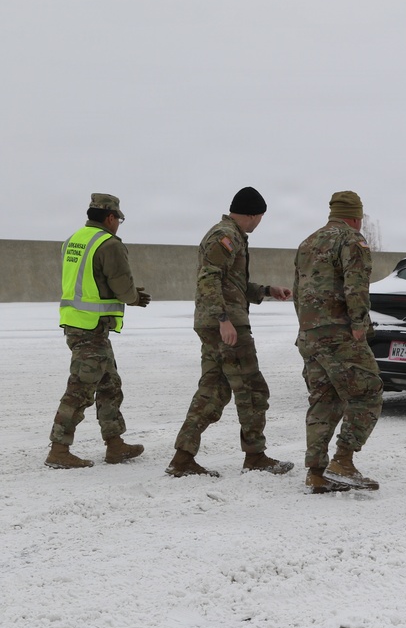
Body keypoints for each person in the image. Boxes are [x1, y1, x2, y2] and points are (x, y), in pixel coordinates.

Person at [165, 187, 294, 478]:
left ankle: (183, 458)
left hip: (218, 323)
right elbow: (208, 279)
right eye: (260, 217)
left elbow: (230, 283)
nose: (260, 222)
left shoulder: (231, 235)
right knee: (252, 389)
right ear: (251, 214)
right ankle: (256, 456)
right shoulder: (226, 236)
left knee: (214, 390)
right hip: (226, 326)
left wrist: (266, 291)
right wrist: (223, 319)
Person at [46, 193, 151, 468]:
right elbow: (121, 286)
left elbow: (90, 279)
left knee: (109, 385)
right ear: (110, 217)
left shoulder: (73, 240)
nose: (118, 225)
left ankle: (115, 445)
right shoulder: (109, 243)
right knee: (80, 390)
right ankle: (58, 449)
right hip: (90, 328)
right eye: (119, 220)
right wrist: (135, 298)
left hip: (77, 323)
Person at [293, 191, 383, 493]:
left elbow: (298, 291)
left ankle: (316, 473)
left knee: (323, 400)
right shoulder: (351, 240)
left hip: (309, 335)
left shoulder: (308, 242)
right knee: (368, 392)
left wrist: (306, 328)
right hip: (339, 334)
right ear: (356, 217)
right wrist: (360, 323)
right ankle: (343, 461)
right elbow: (356, 284)